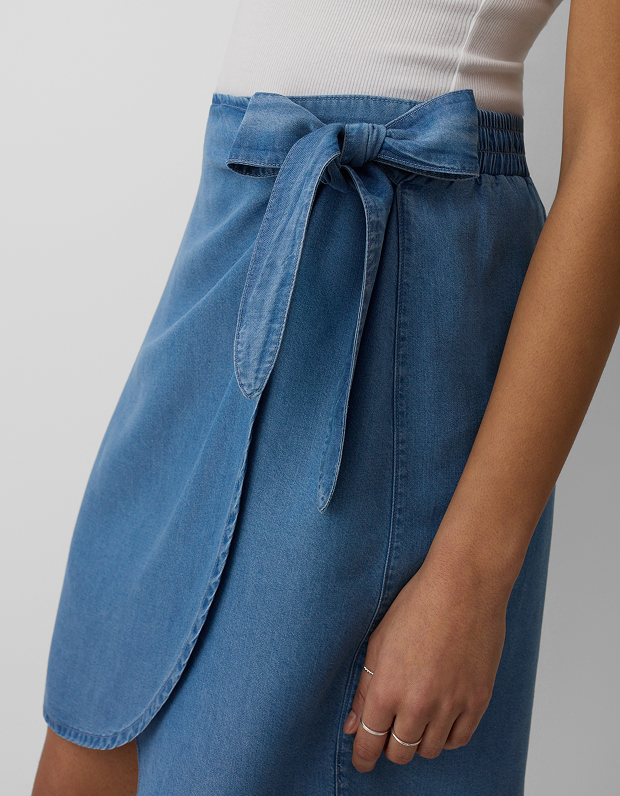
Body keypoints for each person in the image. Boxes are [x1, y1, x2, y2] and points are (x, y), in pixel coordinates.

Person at [32, 0, 620, 793]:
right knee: (90, 736)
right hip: (235, 223)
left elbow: (611, 159)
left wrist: (474, 574)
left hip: (392, 278)